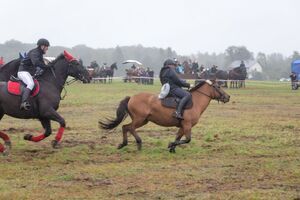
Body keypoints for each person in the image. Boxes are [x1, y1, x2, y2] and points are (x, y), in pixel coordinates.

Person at [18, 38, 50, 110]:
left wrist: (49, 67)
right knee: (31, 84)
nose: (47, 48)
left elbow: (43, 65)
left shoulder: (39, 53)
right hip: (23, 72)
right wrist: (47, 66)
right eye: (46, 46)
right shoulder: (34, 52)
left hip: (29, 73)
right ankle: (24, 102)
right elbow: (36, 63)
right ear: (42, 46)